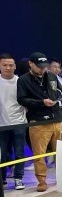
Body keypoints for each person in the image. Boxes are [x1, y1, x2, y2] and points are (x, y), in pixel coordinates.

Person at [17, 52, 62, 192]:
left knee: (61, 152)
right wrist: (41, 102)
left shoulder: (51, 76)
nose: (43, 69)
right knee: (39, 154)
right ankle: (42, 181)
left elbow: (60, 90)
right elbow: (22, 100)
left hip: (56, 120)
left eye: (44, 66)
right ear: (30, 64)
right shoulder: (23, 80)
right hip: (38, 122)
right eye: (39, 66)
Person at [0, 53, 26, 189]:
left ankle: (18, 178)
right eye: (5, 65)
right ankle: (2, 178)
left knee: (19, 152)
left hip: (19, 122)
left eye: (10, 65)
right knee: (2, 153)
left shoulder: (21, 81)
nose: (8, 68)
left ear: (15, 66)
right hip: (1, 124)